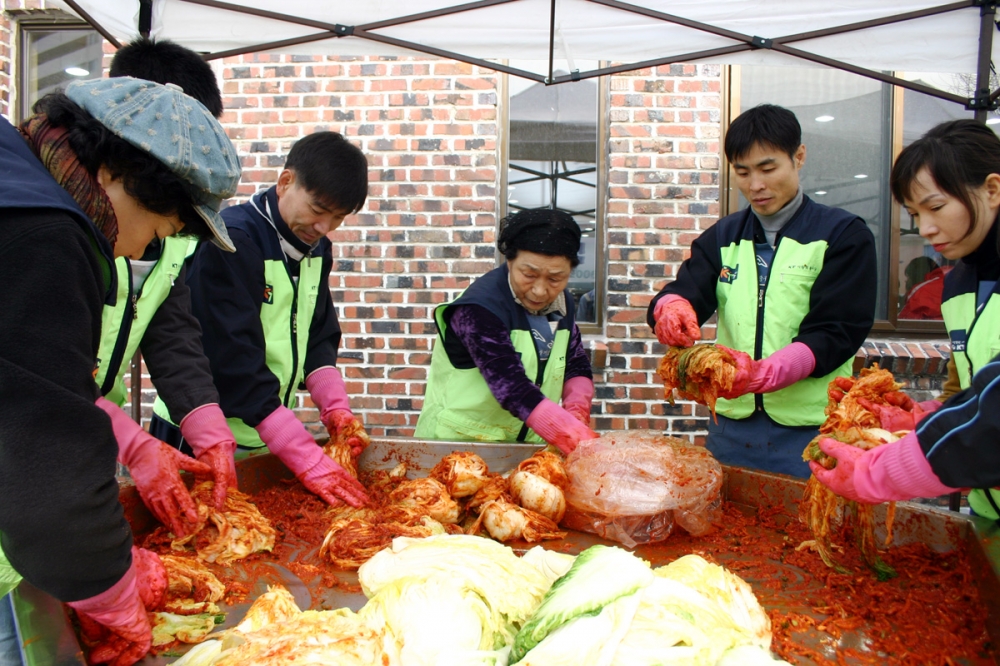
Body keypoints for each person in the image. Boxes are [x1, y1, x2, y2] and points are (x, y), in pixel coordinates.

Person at [0, 78, 239, 665]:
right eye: (158, 229)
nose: (135, 254)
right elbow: (44, 457)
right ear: (117, 175)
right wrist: (112, 591)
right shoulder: (46, 232)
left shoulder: (19, 173)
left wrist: (182, 423)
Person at [647, 104, 878, 477]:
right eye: (743, 172)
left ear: (798, 156)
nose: (755, 185)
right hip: (731, 429)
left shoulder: (842, 235)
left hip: (811, 427)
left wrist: (767, 373)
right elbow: (685, 289)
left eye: (768, 169)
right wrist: (672, 307)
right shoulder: (723, 237)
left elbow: (838, 330)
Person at [155, 131, 371, 508]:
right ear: (286, 181)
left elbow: (318, 331)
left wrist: (336, 408)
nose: (324, 227)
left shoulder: (317, 250)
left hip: (262, 435)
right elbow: (231, 357)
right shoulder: (234, 240)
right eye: (319, 209)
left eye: (338, 218)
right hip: (198, 435)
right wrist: (301, 451)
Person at [814, 119, 1000, 509]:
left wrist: (884, 471)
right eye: (915, 214)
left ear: (992, 189)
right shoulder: (958, 282)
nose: (926, 229)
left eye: (935, 207)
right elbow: (973, 388)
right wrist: (920, 417)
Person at [94, 38, 238, 522]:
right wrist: (130, 442)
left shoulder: (167, 228)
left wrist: (206, 424)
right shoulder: (63, 225)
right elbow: (34, 365)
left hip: (85, 428)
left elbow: (171, 329)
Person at [415, 208, 598, 454]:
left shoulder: (561, 304)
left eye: (556, 278)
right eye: (529, 274)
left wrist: (577, 411)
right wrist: (572, 435)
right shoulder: (478, 308)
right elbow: (510, 387)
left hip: (524, 449)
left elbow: (574, 362)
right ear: (509, 260)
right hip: (459, 448)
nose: (540, 291)